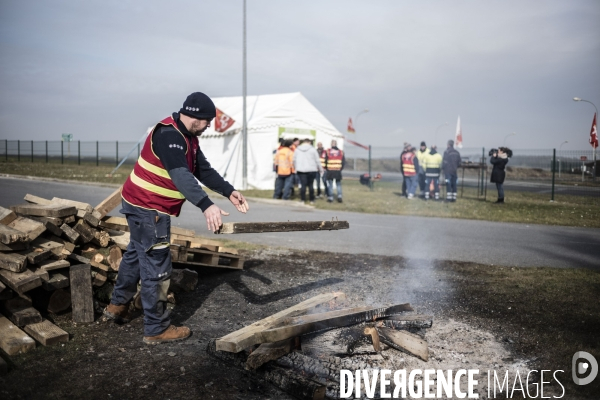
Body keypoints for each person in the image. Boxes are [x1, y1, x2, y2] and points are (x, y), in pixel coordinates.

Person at [104, 92, 249, 345]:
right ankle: (156, 328)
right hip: (150, 209)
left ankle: (117, 306)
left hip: (138, 203)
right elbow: (181, 175)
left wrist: (229, 191)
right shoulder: (170, 136)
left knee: (136, 256)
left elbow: (202, 170)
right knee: (157, 268)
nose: (209, 127)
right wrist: (206, 205)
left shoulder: (187, 137)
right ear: (195, 117)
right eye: (207, 121)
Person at [293, 139, 324, 204]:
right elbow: (317, 160)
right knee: (310, 185)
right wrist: (321, 169)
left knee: (303, 185)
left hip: (301, 170)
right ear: (309, 142)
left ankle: (302, 199)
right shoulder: (313, 150)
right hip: (311, 169)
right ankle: (311, 199)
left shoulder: (297, 149)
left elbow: (294, 160)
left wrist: (296, 167)